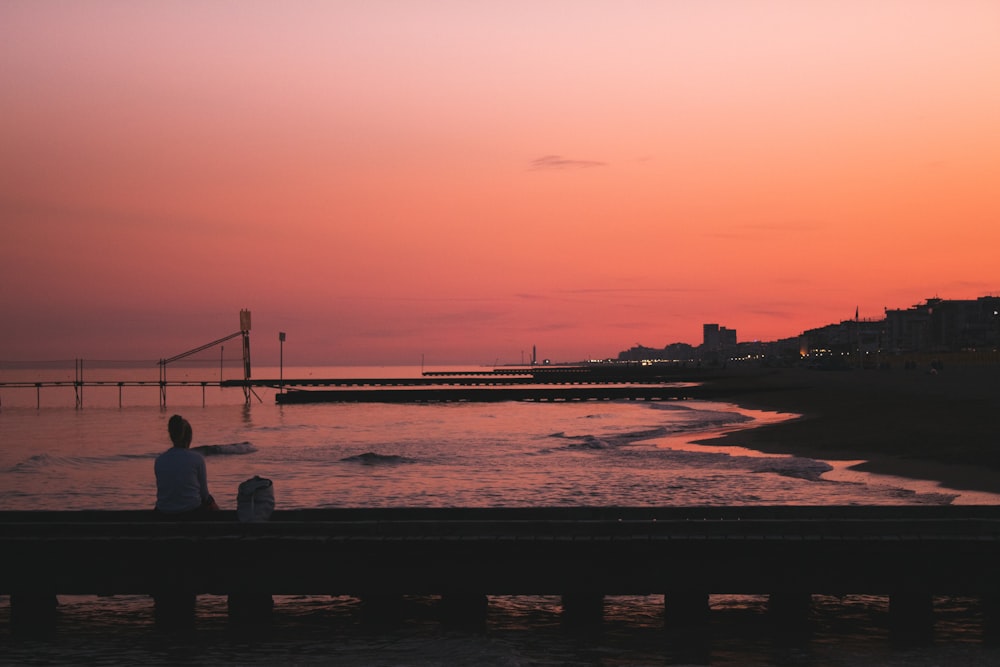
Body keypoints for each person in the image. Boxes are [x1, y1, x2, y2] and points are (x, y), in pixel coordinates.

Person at [154, 414, 219, 517]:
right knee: (210, 504)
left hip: (164, 513)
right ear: (189, 437)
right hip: (191, 512)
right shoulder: (197, 459)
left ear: (171, 436)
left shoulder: (159, 460)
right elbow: (204, 495)